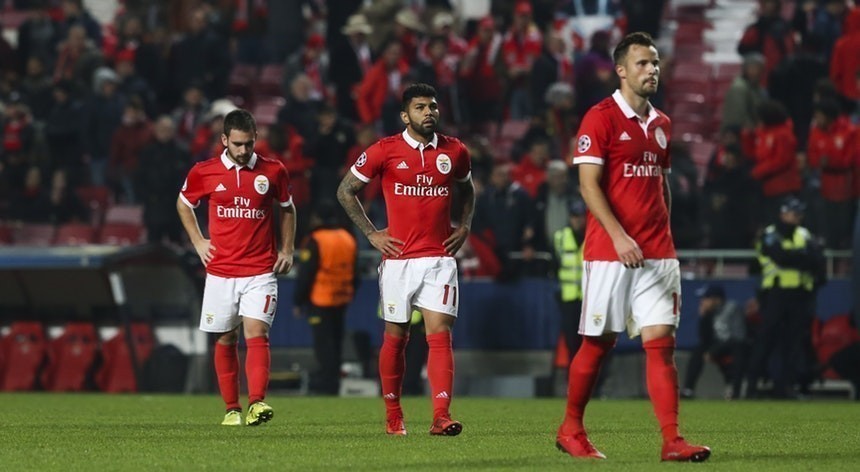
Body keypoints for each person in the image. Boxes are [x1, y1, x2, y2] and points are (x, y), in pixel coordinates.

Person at [556, 32, 710, 462]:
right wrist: (620, 235)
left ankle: (672, 441)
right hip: (610, 252)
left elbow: (661, 184)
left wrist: (666, 235)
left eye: (655, 63)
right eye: (642, 63)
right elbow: (588, 186)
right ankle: (570, 428)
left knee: (661, 344)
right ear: (621, 70)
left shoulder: (661, 124)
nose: (652, 71)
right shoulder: (600, 118)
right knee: (598, 343)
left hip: (659, 253)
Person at [336, 83, 475, 436]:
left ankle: (441, 415)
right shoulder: (385, 150)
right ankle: (393, 413)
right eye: (420, 107)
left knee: (440, 334)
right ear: (405, 115)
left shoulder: (454, 150)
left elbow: (467, 188)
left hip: (439, 259)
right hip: (398, 260)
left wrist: (466, 226)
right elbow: (345, 190)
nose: (429, 112)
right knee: (396, 337)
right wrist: (371, 234)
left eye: (432, 106)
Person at [176, 109, 296, 426]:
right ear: (225, 140)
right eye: (238, 144)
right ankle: (232, 408)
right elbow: (184, 203)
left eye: (249, 144)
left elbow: (287, 209)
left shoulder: (273, 171)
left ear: (256, 139)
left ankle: (257, 403)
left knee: (257, 332)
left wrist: (287, 248)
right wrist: (198, 241)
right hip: (220, 272)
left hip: (259, 271)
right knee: (226, 339)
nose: (244, 151)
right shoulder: (205, 171)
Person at [746, 197, 823, 399]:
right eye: (792, 213)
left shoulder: (804, 234)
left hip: (799, 295)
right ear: (782, 213)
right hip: (775, 295)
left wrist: (793, 257)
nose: (796, 217)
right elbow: (780, 257)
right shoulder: (770, 235)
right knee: (766, 340)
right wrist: (801, 256)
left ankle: (785, 388)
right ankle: (751, 387)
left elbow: (817, 261)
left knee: (794, 343)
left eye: (798, 213)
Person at [293, 201, 358, 395]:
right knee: (337, 341)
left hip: (320, 298)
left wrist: (298, 300)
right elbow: (356, 273)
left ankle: (326, 381)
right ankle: (334, 380)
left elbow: (306, 273)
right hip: (342, 297)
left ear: (318, 218)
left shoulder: (316, 239)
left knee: (323, 342)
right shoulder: (348, 238)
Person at [681, 284, 748, 400]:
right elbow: (704, 339)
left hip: (733, 345)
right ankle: (688, 390)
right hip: (717, 345)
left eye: (706, 298)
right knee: (698, 350)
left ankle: (735, 390)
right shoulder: (710, 312)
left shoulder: (732, 308)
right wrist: (704, 317)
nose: (703, 301)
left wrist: (713, 351)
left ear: (717, 299)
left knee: (738, 349)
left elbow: (738, 337)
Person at [553, 199, 586, 364]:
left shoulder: (592, 237)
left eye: (580, 216)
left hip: (589, 299)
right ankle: (572, 380)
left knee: (590, 342)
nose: (577, 220)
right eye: (574, 216)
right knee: (571, 342)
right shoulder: (560, 237)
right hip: (568, 298)